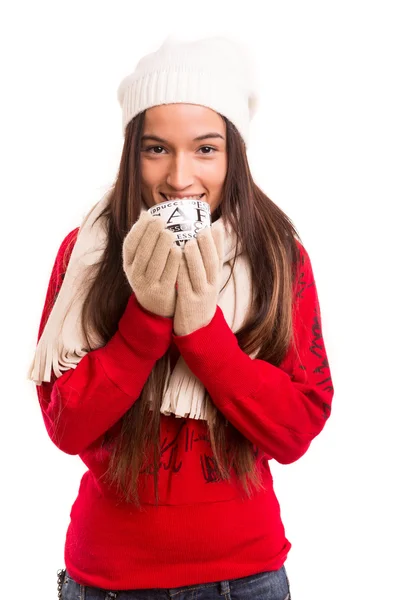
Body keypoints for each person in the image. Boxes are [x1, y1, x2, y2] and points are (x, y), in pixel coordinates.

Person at [29, 35, 334, 600]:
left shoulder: (277, 256)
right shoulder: (85, 253)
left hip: (246, 580)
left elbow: (296, 429)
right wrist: (145, 320)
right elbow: (66, 426)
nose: (179, 177)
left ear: (233, 153)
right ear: (131, 153)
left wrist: (201, 332)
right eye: (156, 149)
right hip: (109, 581)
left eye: (205, 149)